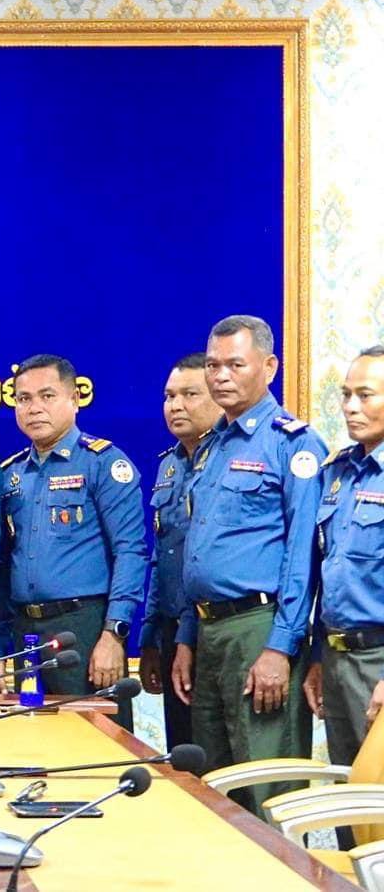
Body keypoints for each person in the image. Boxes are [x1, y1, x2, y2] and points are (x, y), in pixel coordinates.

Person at [170, 315, 323, 815]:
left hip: (258, 630)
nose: (220, 376)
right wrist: (187, 636)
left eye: (235, 364)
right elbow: (197, 550)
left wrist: (280, 647)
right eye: (213, 365)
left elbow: (302, 556)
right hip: (209, 633)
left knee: (267, 790)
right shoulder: (211, 445)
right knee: (214, 790)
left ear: (269, 366)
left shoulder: (293, 444)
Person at [0, 354, 147, 730]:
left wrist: (114, 634)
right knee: (33, 737)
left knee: (97, 742)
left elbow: (130, 551)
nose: (34, 408)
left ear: (74, 400)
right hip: (26, 632)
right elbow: (1, 568)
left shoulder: (102, 463)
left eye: (47, 396)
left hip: (83, 629)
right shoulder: (10, 475)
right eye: (24, 399)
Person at [304, 346, 384, 795]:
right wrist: (319, 657)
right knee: (347, 795)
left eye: (365, 395)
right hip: (337, 659)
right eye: (346, 394)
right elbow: (327, 576)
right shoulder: (337, 472)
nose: (351, 406)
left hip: (378, 658)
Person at [138, 352, 220, 750]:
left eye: (190, 394)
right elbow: (163, 557)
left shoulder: (223, 462)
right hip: (171, 629)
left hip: (211, 626)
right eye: (170, 396)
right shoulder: (168, 465)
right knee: (182, 751)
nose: (176, 406)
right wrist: (150, 635)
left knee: (214, 753)